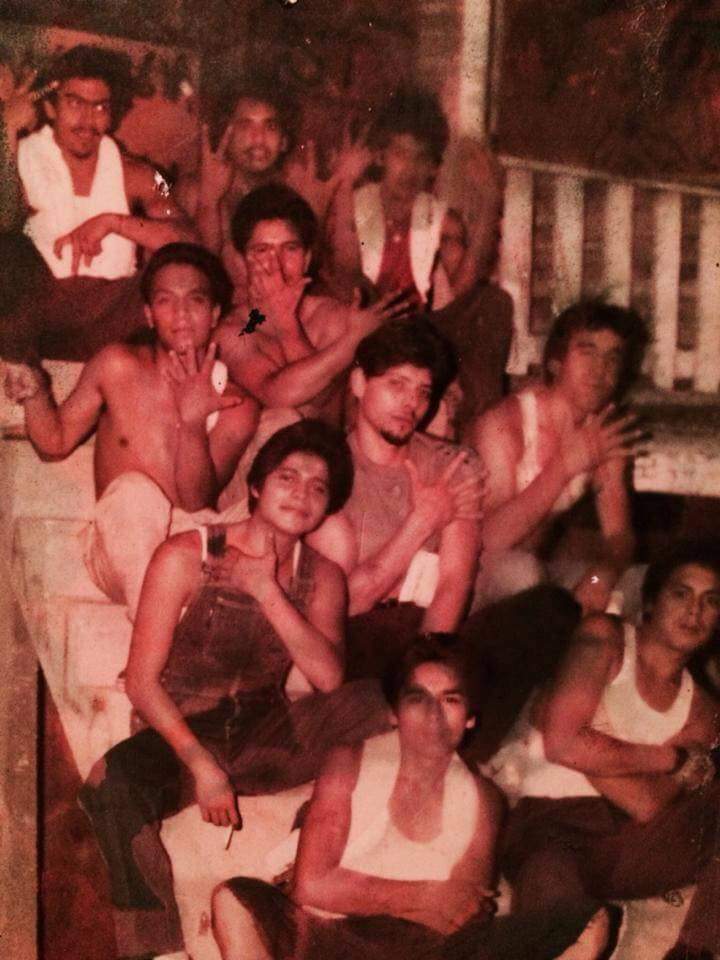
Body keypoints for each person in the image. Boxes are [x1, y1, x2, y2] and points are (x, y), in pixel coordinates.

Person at [78, 420, 391, 960]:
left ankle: (306, 851)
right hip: (181, 729)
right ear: (256, 487)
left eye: (318, 487)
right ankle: (157, 950)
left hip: (264, 729)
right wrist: (201, 764)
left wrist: (267, 590)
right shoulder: (186, 554)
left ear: (328, 506)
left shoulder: (323, 576)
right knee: (111, 783)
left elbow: (328, 679)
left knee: (377, 706)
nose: (301, 494)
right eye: (288, 477)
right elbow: (143, 682)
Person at [212, 636, 603, 960]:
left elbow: (460, 913)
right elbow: (310, 885)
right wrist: (422, 895)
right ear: (394, 713)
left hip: (413, 947)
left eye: (450, 700)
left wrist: (361, 892)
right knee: (235, 899)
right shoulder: (348, 761)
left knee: (584, 922)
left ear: (470, 717)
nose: (433, 714)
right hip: (323, 935)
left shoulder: (484, 798)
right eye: (418, 698)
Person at [3, 243, 259, 620]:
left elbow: (195, 502)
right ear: (149, 315)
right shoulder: (117, 366)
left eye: (195, 300)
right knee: (136, 494)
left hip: (188, 539)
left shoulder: (236, 404)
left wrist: (192, 424)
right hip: (122, 542)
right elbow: (53, 443)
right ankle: (153, 638)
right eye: (166, 301)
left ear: (214, 314)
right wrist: (36, 392)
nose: (181, 314)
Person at [493, 542, 720, 960]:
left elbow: (647, 804)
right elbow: (562, 744)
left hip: (629, 842)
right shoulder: (606, 638)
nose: (695, 611)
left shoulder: (703, 712)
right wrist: (671, 759)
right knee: (557, 905)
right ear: (650, 602)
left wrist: (578, 737)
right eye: (681, 593)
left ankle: (693, 952)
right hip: (550, 822)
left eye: (711, 601)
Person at [308, 318, 483, 679]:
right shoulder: (325, 471)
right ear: (359, 383)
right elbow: (342, 606)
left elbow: (454, 584)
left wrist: (423, 675)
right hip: (352, 641)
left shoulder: (450, 465)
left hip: (428, 637)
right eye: (397, 384)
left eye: (423, 391)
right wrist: (422, 523)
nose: (411, 403)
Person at [0, 44, 197, 361]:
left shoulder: (139, 174)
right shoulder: (21, 159)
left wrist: (113, 222)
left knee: (177, 279)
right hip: (37, 318)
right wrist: (5, 130)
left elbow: (190, 241)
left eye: (100, 107)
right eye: (74, 103)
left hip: (112, 318)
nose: (87, 119)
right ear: (50, 108)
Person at [471, 300, 649, 612]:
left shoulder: (601, 431)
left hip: (539, 573)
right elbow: (487, 540)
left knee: (639, 583)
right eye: (587, 352)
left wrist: (600, 578)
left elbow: (619, 535)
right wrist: (564, 465)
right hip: (471, 574)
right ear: (556, 363)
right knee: (523, 573)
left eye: (612, 357)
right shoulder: (504, 425)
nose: (600, 369)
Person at [213, 184, 413, 425]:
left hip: (326, 441)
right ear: (241, 261)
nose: (277, 264)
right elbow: (277, 394)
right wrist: (350, 340)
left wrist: (286, 322)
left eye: (290, 249)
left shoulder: (333, 315)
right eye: (262, 250)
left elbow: (322, 404)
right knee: (281, 418)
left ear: (306, 259)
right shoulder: (233, 330)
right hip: (270, 443)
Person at [327, 87, 491, 310]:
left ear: (433, 166)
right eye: (401, 154)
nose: (410, 169)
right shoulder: (353, 206)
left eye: (421, 158)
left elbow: (462, 294)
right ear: (380, 156)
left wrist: (489, 203)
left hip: (414, 330)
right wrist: (343, 185)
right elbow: (343, 277)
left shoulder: (442, 221)